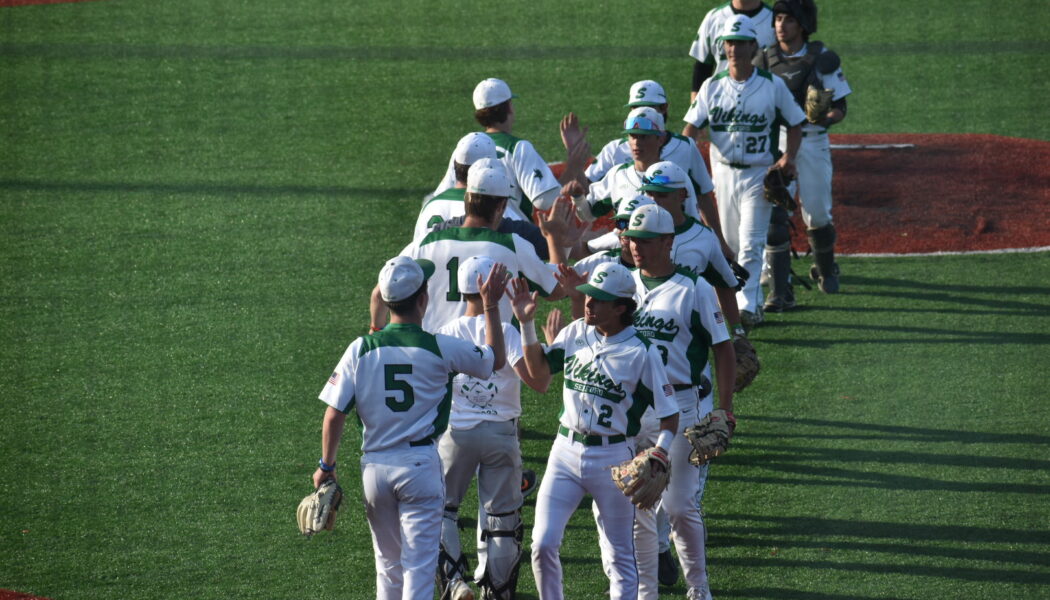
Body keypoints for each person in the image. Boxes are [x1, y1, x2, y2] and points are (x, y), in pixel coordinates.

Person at [313, 256, 507, 600]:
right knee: (418, 567)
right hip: (419, 467)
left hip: (374, 468)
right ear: (423, 299)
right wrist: (490, 306)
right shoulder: (439, 346)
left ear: (386, 302)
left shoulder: (360, 349)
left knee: (387, 566)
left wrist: (326, 467)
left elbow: (334, 414)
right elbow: (493, 360)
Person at [513, 264, 680, 600]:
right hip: (564, 451)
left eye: (598, 300)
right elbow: (539, 370)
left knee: (620, 555)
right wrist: (526, 324)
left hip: (613, 457)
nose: (588, 303)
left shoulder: (642, 352)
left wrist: (660, 451)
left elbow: (670, 416)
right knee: (542, 544)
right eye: (589, 296)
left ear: (621, 307)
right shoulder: (576, 332)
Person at [616, 204, 736, 600]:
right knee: (639, 504)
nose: (637, 247)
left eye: (646, 241)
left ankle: (699, 587)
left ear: (668, 242)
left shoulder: (694, 288)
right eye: (632, 239)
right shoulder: (622, 284)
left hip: (686, 408)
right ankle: (642, 590)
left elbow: (723, 348)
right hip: (635, 411)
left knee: (681, 506)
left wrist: (725, 407)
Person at [682, 13, 806, 329]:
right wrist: (685, 162)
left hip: (758, 174)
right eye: (730, 43)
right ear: (723, 47)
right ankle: (731, 304)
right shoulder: (711, 87)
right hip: (720, 174)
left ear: (753, 46)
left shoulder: (772, 86)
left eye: (741, 43)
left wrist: (788, 158)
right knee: (729, 244)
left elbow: (795, 123)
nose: (734, 49)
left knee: (751, 241)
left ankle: (748, 306)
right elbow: (691, 128)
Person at [435, 256, 548, 600]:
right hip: (502, 434)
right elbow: (537, 381)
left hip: (457, 434)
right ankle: (497, 592)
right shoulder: (510, 331)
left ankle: (455, 583)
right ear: (495, 291)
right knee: (502, 521)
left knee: (441, 510)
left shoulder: (447, 333)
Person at [371, 161, 568, 333]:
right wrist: (555, 238)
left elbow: (380, 293)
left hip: (436, 364)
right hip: (493, 366)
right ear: (501, 205)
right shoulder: (513, 246)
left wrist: (376, 329)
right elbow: (557, 289)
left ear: (466, 198)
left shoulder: (425, 243)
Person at [754, 0, 852, 305]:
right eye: (778, 18)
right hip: (778, 141)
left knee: (818, 212)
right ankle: (780, 290)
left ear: (803, 25)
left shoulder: (822, 59)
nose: (781, 25)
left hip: (812, 141)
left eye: (789, 20)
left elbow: (841, 108)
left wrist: (822, 117)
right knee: (775, 209)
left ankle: (825, 269)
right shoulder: (764, 59)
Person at [429, 78, 590, 222]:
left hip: (465, 231)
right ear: (509, 108)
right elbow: (546, 199)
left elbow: (442, 195)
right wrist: (573, 168)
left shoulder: (465, 148)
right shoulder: (518, 148)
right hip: (512, 238)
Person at [688, 0, 776, 102]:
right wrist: (696, 106)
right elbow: (702, 69)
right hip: (721, 105)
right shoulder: (714, 18)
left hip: (762, 104)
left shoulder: (775, 20)